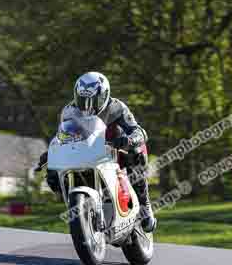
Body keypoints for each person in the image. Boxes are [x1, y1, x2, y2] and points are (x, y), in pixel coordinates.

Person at [38, 72, 157, 232]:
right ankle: (78, 209)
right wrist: (51, 152)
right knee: (52, 175)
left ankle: (145, 205)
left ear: (105, 95)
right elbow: (63, 136)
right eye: (82, 100)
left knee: (137, 152)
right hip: (84, 153)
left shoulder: (117, 107)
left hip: (115, 150)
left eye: (93, 100)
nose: (87, 106)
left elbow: (139, 131)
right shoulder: (68, 111)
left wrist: (129, 140)